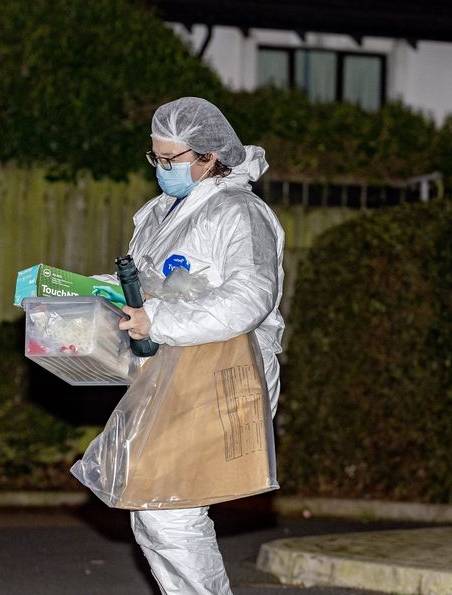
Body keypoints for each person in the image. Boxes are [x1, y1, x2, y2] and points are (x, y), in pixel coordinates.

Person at [100, 96, 285, 594]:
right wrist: (76, 294)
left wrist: (156, 319)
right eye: (154, 158)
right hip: (174, 372)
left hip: (227, 371)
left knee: (169, 511)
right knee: (156, 513)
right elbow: (148, 286)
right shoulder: (162, 213)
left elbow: (251, 297)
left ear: (208, 156)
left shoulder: (239, 213)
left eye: (170, 160)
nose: (160, 169)